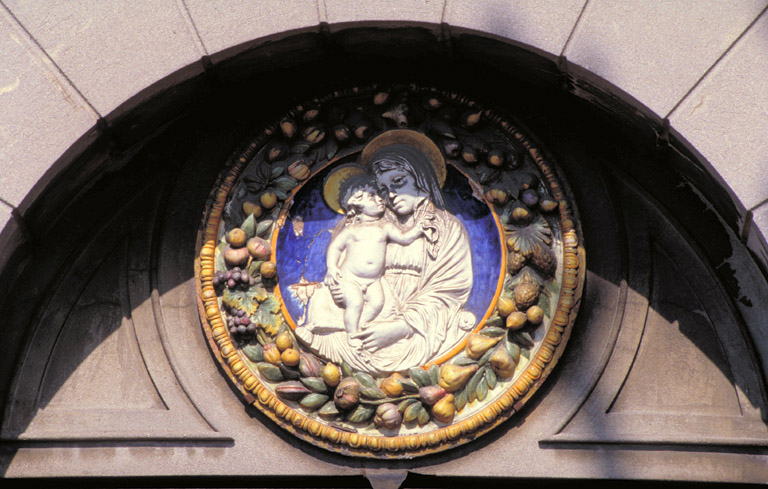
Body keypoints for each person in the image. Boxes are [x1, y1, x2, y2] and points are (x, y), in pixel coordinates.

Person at [295, 135, 475, 374]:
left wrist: (401, 327)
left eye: (398, 181)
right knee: (333, 335)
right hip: (361, 314)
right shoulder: (362, 224)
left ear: (420, 178)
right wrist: (338, 284)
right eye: (382, 189)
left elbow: (449, 290)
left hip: (418, 330)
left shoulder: (448, 229)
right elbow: (337, 264)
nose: (390, 194)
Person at [324, 174, 425, 337]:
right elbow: (335, 247)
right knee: (355, 303)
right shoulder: (352, 230)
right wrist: (331, 268)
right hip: (350, 278)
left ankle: (360, 325)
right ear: (356, 202)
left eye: (379, 195)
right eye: (372, 195)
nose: (380, 199)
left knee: (377, 303)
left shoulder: (385, 227)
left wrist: (418, 229)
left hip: (373, 281)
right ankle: (351, 334)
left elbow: (404, 238)